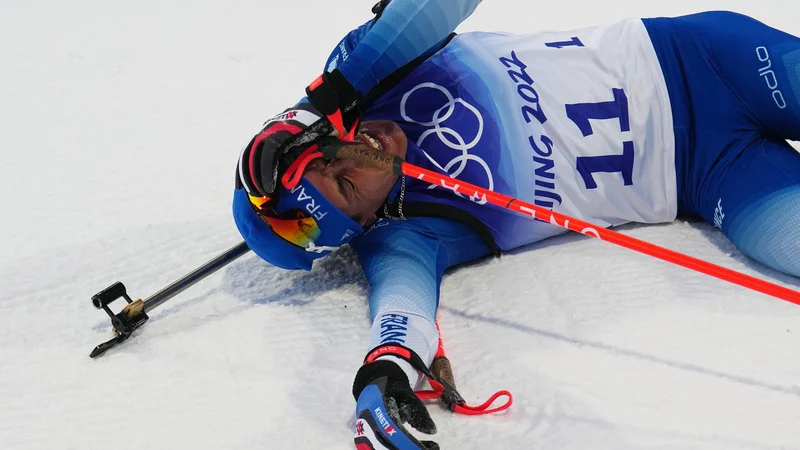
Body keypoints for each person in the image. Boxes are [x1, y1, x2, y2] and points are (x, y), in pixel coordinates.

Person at [232, 1, 800, 448]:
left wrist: (338, 91)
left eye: (328, 154)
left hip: (697, 60)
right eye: (349, 185)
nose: (360, 154)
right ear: (365, 220)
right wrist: (387, 368)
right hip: (712, 177)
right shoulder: (411, 229)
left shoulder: (364, 74)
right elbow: (400, 298)